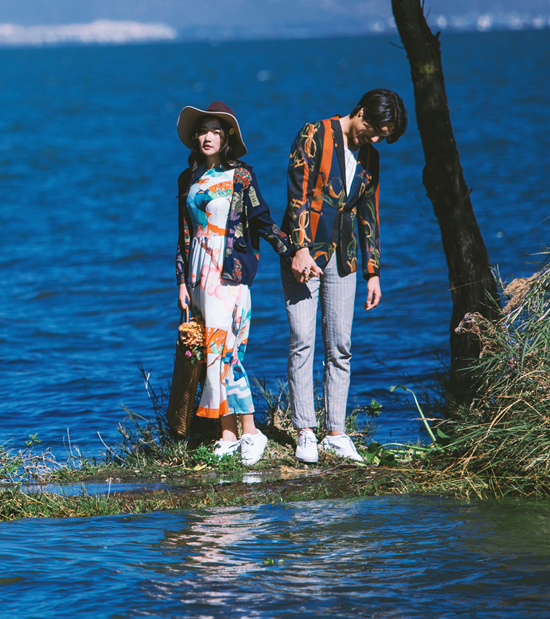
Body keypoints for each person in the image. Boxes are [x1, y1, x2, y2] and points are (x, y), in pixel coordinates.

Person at [280, 88, 408, 463]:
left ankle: (335, 431)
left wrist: (374, 273)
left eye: (384, 135)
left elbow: (370, 212)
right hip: (304, 253)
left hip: (345, 258)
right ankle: (305, 430)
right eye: (376, 130)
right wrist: (299, 248)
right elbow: (297, 194)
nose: (378, 138)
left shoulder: (371, 156)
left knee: (340, 345)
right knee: (302, 339)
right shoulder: (314, 134)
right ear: (362, 113)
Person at [175, 102, 291, 465]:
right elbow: (183, 236)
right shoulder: (188, 180)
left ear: (226, 138)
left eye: (215, 131)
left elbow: (262, 220)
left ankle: (251, 432)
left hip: (229, 274)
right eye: (202, 131)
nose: (207, 137)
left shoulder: (241, 176)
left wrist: (292, 251)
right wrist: (181, 280)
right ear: (195, 138)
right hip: (197, 275)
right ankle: (226, 434)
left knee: (228, 354)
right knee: (210, 354)